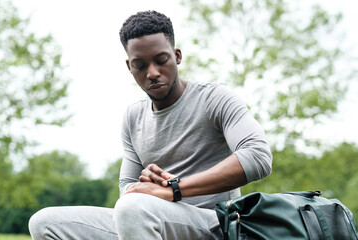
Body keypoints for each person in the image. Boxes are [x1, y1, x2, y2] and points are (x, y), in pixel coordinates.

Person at [29, 10, 272, 240]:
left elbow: (258, 156)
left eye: (161, 60)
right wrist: (148, 185)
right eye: (140, 65)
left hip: (214, 224)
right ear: (129, 67)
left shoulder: (214, 98)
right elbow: (127, 188)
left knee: (133, 208)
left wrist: (174, 189)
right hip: (146, 217)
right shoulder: (133, 117)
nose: (152, 72)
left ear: (177, 56)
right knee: (45, 222)